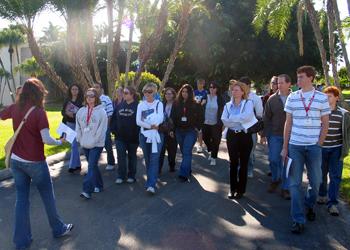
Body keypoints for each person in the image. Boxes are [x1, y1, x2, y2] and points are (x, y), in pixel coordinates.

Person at [0, 78, 73, 250]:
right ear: (39, 93)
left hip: (16, 161)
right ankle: (58, 229)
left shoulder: (15, 107)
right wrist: (60, 141)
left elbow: (2, 115)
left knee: (22, 200)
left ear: (23, 92)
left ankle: (21, 242)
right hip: (35, 162)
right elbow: (46, 139)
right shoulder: (39, 112)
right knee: (47, 197)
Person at [281, 65, 330, 234]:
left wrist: (320, 143)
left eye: (301, 77)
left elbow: (326, 123)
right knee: (294, 183)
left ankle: (310, 205)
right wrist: (285, 147)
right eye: (298, 76)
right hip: (295, 145)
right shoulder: (292, 97)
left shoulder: (322, 98)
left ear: (310, 78)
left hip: (314, 147)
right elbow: (288, 123)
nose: (298, 80)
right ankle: (298, 219)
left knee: (316, 182)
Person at [317, 86, 350, 216]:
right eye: (325, 95)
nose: (327, 98)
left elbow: (347, 132)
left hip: (337, 149)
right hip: (321, 148)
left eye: (330, 96)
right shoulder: (319, 112)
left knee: (335, 176)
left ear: (336, 97)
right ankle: (322, 194)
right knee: (321, 174)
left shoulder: (344, 114)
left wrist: (346, 147)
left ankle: (333, 203)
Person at [221, 81, 257, 200]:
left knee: (244, 164)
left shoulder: (248, 103)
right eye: (233, 90)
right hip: (232, 136)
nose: (234, 92)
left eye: (237, 90)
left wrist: (232, 119)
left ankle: (241, 190)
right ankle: (232, 189)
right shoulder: (227, 105)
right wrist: (238, 120)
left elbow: (247, 117)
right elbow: (224, 120)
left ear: (243, 92)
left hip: (245, 137)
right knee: (233, 163)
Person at [262, 74, 291, 199]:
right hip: (274, 135)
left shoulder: (295, 98)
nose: (278, 85)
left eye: (281, 83)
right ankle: (275, 179)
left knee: (287, 163)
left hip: (291, 136)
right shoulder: (272, 99)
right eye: (277, 83)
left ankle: (286, 188)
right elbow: (266, 117)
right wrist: (263, 134)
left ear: (289, 84)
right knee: (273, 159)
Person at [76, 88, 108, 199]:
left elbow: (102, 129)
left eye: (92, 96)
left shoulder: (101, 112)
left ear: (96, 98)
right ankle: (99, 185)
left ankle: (86, 190)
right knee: (93, 165)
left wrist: (94, 140)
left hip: (96, 144)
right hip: (85, 143)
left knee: (91, 166)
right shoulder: (81, 111)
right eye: (87, 96)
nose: (89, 98)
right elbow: (78, 126)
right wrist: (80, 138)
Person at [172, 84, 204, 182]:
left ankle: (183, 174)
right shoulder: (176, 103)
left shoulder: (196, 104)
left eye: (186, 92)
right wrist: (172, 130)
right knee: (184, 151)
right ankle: (188, 169)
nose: (184, 93)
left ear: (190, 93)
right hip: (179, 131)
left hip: (190, 131)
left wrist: (197, 128)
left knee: (186, 151)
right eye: (183, 91)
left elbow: (201, 117)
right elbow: (172, 117)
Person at [136, 83, 164, 194]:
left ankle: (151, 185)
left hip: (156, 135)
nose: (147, 94)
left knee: (154, 159)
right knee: (148, 159)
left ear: (155, 92)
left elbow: (161, 117)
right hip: (144, 135)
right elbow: (138, 121)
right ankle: (152, 178)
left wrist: (155, 125)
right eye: (145, 91)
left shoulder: (159, 104)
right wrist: (150, 126)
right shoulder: (141, 105)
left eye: (150, 91)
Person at [112, 86, 140, 184]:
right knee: (120, 157)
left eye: (126, 93)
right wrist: (114, 131)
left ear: (132, 94)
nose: (123, 94)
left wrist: (137, 134)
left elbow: (141, 122)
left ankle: (131, 176)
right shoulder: (119, 106)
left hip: (133, 138)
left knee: (132, 157)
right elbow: (113, 120)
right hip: (120, 138)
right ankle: (121, 175)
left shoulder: (138, 106)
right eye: (123, 92)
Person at [239, 76, 263, 178]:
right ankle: (240, 168)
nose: (241, 88)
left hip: (251, 130)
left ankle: (249, 169)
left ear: (248, 86)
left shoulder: (255, 98)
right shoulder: (238, 96)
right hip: (238, 128)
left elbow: (259, 114)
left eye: (242, 86)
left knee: (250, 151)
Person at [93, 82, 116, 171]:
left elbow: (110, 113)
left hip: (105, 127)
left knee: (107, 144)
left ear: (101, 89)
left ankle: (111, 162)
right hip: (94, 127)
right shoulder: (92, 99)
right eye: (94, 87)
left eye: (97, 87)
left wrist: (106, 127)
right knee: (94, 146)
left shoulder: (106, 99)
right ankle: (93, 164)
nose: (95, 89)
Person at [61, 84, 84, 173]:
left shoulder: (81, 101)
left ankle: (72, 166)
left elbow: (82, 113)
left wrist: (73, 115)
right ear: (70, 90)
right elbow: (62, 111)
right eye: (73, 89)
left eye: (76, 89)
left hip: (77, 125)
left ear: (79, 91)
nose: (74, 91)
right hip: (68, 124)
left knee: (74, 145)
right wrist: (66, 113)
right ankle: (77, 165)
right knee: (73, 145)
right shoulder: (67, 100)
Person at [202, 82, 224, 166]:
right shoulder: (205, 96)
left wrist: (223, 123)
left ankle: (214, 157)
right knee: (205, 137)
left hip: (216, 123)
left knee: (216, 140)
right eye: (210, 87)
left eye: (214, 87)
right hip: (206, 122)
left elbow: (223, 111)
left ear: (217, 89)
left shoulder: (220, 98)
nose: (212, 89)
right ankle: (211, 149)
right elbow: (200, 106)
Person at [159, 87, 177, 174]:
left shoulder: (177, 104)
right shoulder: (161, 104)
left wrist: (173, 130)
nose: (167, 95)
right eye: (166, 94)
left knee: (172, 150)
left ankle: (172, 166)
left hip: (173, 131)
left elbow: (177, 119)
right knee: (161, 150)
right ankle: (159, 168)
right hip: (163, 130)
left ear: (173, 95)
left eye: (169, 94)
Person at [194, 79, 207, 153]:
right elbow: (192, 100)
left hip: (202, 113)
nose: (200, 85)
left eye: (201, 83)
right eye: (199, 83)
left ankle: (200, 145)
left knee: (200, 130)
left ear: (203, 84)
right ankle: (195, 143)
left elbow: (204, 101)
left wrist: (199, 103)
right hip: (195, 113)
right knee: (195, 129)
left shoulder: (205, 92)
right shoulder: (194, 92)